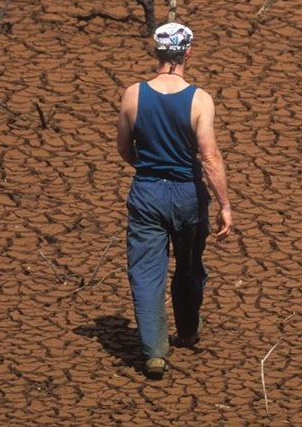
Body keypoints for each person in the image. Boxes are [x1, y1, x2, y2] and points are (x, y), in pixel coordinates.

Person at [116, 22, 234, 379]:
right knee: (189, 264)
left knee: (147, 274)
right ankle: (187, 328)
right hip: (187, 194)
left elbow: (124, 148)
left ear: (156, 52)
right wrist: (225, 204)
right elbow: (210, 157)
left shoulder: (133, 95)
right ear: (187, 53)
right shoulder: (199, 99)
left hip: (147, 193)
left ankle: (154, 352)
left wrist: (151, 170)